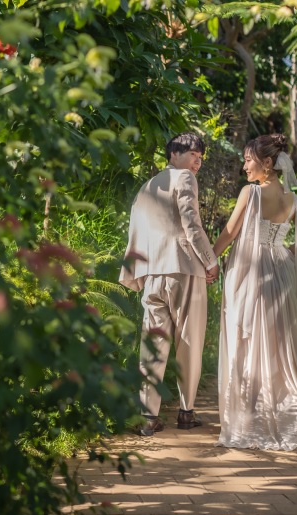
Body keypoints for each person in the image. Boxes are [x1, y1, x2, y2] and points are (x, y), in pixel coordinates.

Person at [212, 133, 297, 450]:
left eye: (249, 160)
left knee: (249, 341)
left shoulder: (250, 194)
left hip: (252, 273)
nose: (244, 166)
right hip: (280, 272)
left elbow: (229, 233)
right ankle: (292, 421)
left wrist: (208, 260)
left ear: (267, 163)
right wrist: (281, 253)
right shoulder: (293, 201)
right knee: (280, 346)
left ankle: (251, 421)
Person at [120, 132, 219, 437]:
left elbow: (135, 233)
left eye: (201, 158)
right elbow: (192, 223)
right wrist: (210, 260)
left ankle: (148, 416)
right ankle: (186, 412)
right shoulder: (184, 178)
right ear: (175, 154)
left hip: (153, 274)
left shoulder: (145, 188)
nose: (197, 163)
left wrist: (136, 272)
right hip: (185, 269)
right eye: (193, 156)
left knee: (153, 344)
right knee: (188, 341)